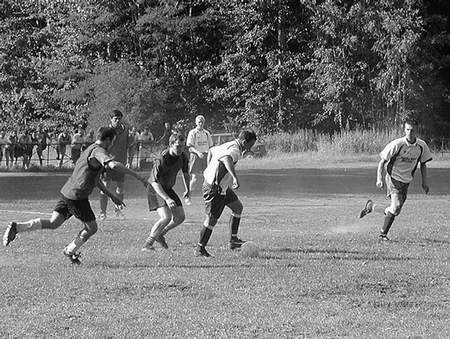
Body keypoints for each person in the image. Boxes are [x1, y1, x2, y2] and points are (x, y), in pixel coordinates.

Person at [3, 127, 148, 265]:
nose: (112, 145)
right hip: (77, 196)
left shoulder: (89, 149)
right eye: (113, 141)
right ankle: (70, 250)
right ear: (108, 140)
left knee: (54, 223)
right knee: (92, 228)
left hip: (68, 191)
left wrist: (111, 196)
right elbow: (113, 165)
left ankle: (17, 227)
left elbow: (95, 179)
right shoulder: (98, 151)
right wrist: (138, 176)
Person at [359, 117, 432, 240]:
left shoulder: (421, 146)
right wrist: (379, 179)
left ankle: (372, 207)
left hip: (406, 181)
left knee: (395, 210)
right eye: (407, 130)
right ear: (404, 130)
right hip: (393, 178)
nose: (410, 132)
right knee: (397, 205)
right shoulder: (397, 144)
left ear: (417, 130)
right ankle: (383, 235)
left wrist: (425, 183)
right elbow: (382, 162)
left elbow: (423, 164)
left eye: (412, 130)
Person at [195, 129, 257, 257]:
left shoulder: (227, 144)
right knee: (212, 219)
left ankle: (233, 241)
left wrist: (209, 170)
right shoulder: (234, 150)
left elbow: (211, 151)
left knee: (237, 207)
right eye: (250, 145)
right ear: (244, 142)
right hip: (214, 187)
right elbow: (227, 158)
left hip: (221, 186)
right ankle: (200, 249)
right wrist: (234, 177)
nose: (250, 148)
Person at [142, 133, 190, 251]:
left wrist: (188, 189)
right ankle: (148, 244)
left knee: (180, 217)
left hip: (167, 188)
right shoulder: (161, 158)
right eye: (178, 146)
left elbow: (185, 173)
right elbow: (154, 182)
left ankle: (161, 234)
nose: (180, 149)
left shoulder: (183, 156)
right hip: (155, 189)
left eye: (183, 146)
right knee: (166, 217)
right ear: (170, 145)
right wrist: (167, 199)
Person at [99, 110, 132, 220]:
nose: (117, 121)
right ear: (111, 119)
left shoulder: (125, 131)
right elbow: (99, 147)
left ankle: (118, 211)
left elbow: (129, 146)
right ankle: (102, 212)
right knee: (105, 187)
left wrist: (129, 161)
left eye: (119, 119)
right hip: (107, 163)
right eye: (115, 119)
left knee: (120, 188)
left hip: (120, 163)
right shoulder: (105, 131)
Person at [186, 115, 214, 191]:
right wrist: (198, 153)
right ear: (196, 123)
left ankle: (207, 192)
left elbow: (211, 146)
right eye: (199, 122)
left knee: (208, 176)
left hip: (205, 156)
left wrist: (209, 154)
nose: (201, 124)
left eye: (202, 122)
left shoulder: (207, 133)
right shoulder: (192, 132)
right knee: (195, 178)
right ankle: (189, 193)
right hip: (195, 156)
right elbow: (190, 147)